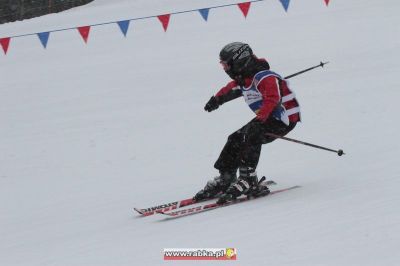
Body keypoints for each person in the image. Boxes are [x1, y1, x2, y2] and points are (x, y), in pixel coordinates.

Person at [193, 42, 301, 204]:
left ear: (238, 61)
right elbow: (232, 89)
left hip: (283, 119)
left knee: (252, 134)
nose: (224, 68)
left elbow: (273, 99)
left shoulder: (266, 77)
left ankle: (248, 178)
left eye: (226, 64)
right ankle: (226, 177)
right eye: (222, 64)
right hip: (266, 117)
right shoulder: (244, 78)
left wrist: (260, 120)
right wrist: (217, 100)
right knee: (235, 138)